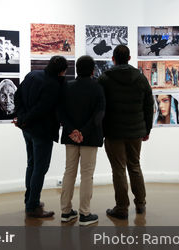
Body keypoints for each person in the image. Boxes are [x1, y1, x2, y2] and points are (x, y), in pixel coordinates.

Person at [98, 45, 154, 220]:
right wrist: (147, 129)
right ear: (129, 58)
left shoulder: (105, 78)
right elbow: (148, 105)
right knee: (135, 166)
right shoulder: (140, 77)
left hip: (113, 131)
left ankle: (122, 207)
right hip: (136, 130)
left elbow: (100, 106)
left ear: (113, 59)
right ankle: (140, 204)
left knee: (119, 169)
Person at [14, 56, 68, 218]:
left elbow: (18, 96)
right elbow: (41, 109)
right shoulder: (53, 85)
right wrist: (25, 119)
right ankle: (32, 205)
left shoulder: (32, 75)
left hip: (28, 130)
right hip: (41, 131)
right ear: (61, 71)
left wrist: (22, 118)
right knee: (40, 168)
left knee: (31, 164)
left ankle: (30, 199)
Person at [59, 55, 105, 226]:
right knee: (87, 175)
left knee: (69, 172)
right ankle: (85, 213)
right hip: (90, 136)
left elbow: (60, 112)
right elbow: (99, 114)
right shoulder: (97, 87)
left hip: (70, 136)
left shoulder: (67, 86)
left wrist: (73, 131)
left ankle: (65, 212)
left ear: (77, 69)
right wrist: (83, 132)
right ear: (93, 70)